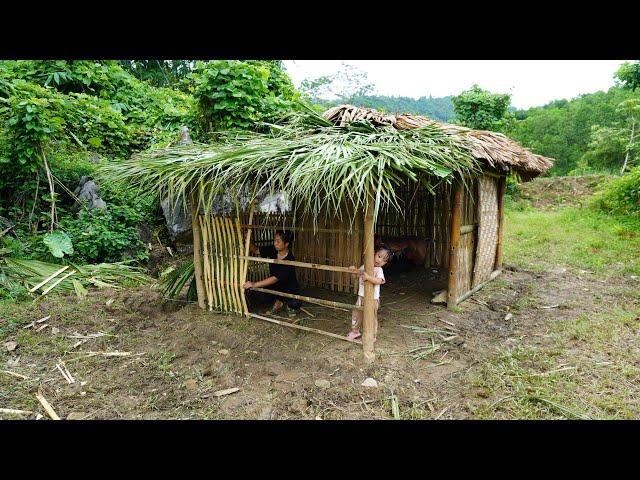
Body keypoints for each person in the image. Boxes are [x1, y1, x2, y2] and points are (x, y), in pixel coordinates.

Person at [242, 230, 301, 316]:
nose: (275, 243)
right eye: (275, 240)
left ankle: (286, 303)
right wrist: (248, 240)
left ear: (286, 244)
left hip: (289, 289)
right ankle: (278, 301)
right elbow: (256, 250)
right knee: (258, 294)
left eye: (278, 241)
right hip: (276, 286)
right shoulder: (273, 250)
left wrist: (254, 284)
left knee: (295, 303)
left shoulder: (289, 259)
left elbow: (275, 278)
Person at [346, 245, 392, 341]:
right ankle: (355, 332)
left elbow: (380, 281)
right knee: (356, 314)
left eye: (384, 260)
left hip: (373, 299)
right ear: (374, 253)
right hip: (361, 296)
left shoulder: (379, 270)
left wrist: (368, 278)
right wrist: (353, 271)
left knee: (371, 317)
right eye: (379, 256)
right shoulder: (364, 266)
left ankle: (372, 335)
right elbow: (356, 277)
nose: (380, 260)